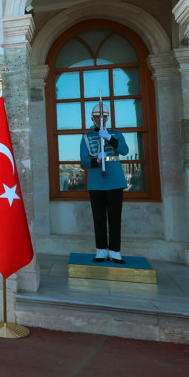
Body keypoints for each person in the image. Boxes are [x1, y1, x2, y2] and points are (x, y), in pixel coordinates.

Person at [79, 102, 130, 263]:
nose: (100, 118)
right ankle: (101, 249)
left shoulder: (116, 133)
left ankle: (115, 251)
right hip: (96, 181)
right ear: (92, 118)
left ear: (107, 117)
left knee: (115, 218)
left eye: (103, 116)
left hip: (114, 180)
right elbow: (83, 161)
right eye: (97, 116)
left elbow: (124, 150)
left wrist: (109, 138)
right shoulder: (86, 136)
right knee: (99, 217)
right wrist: (95, 160)